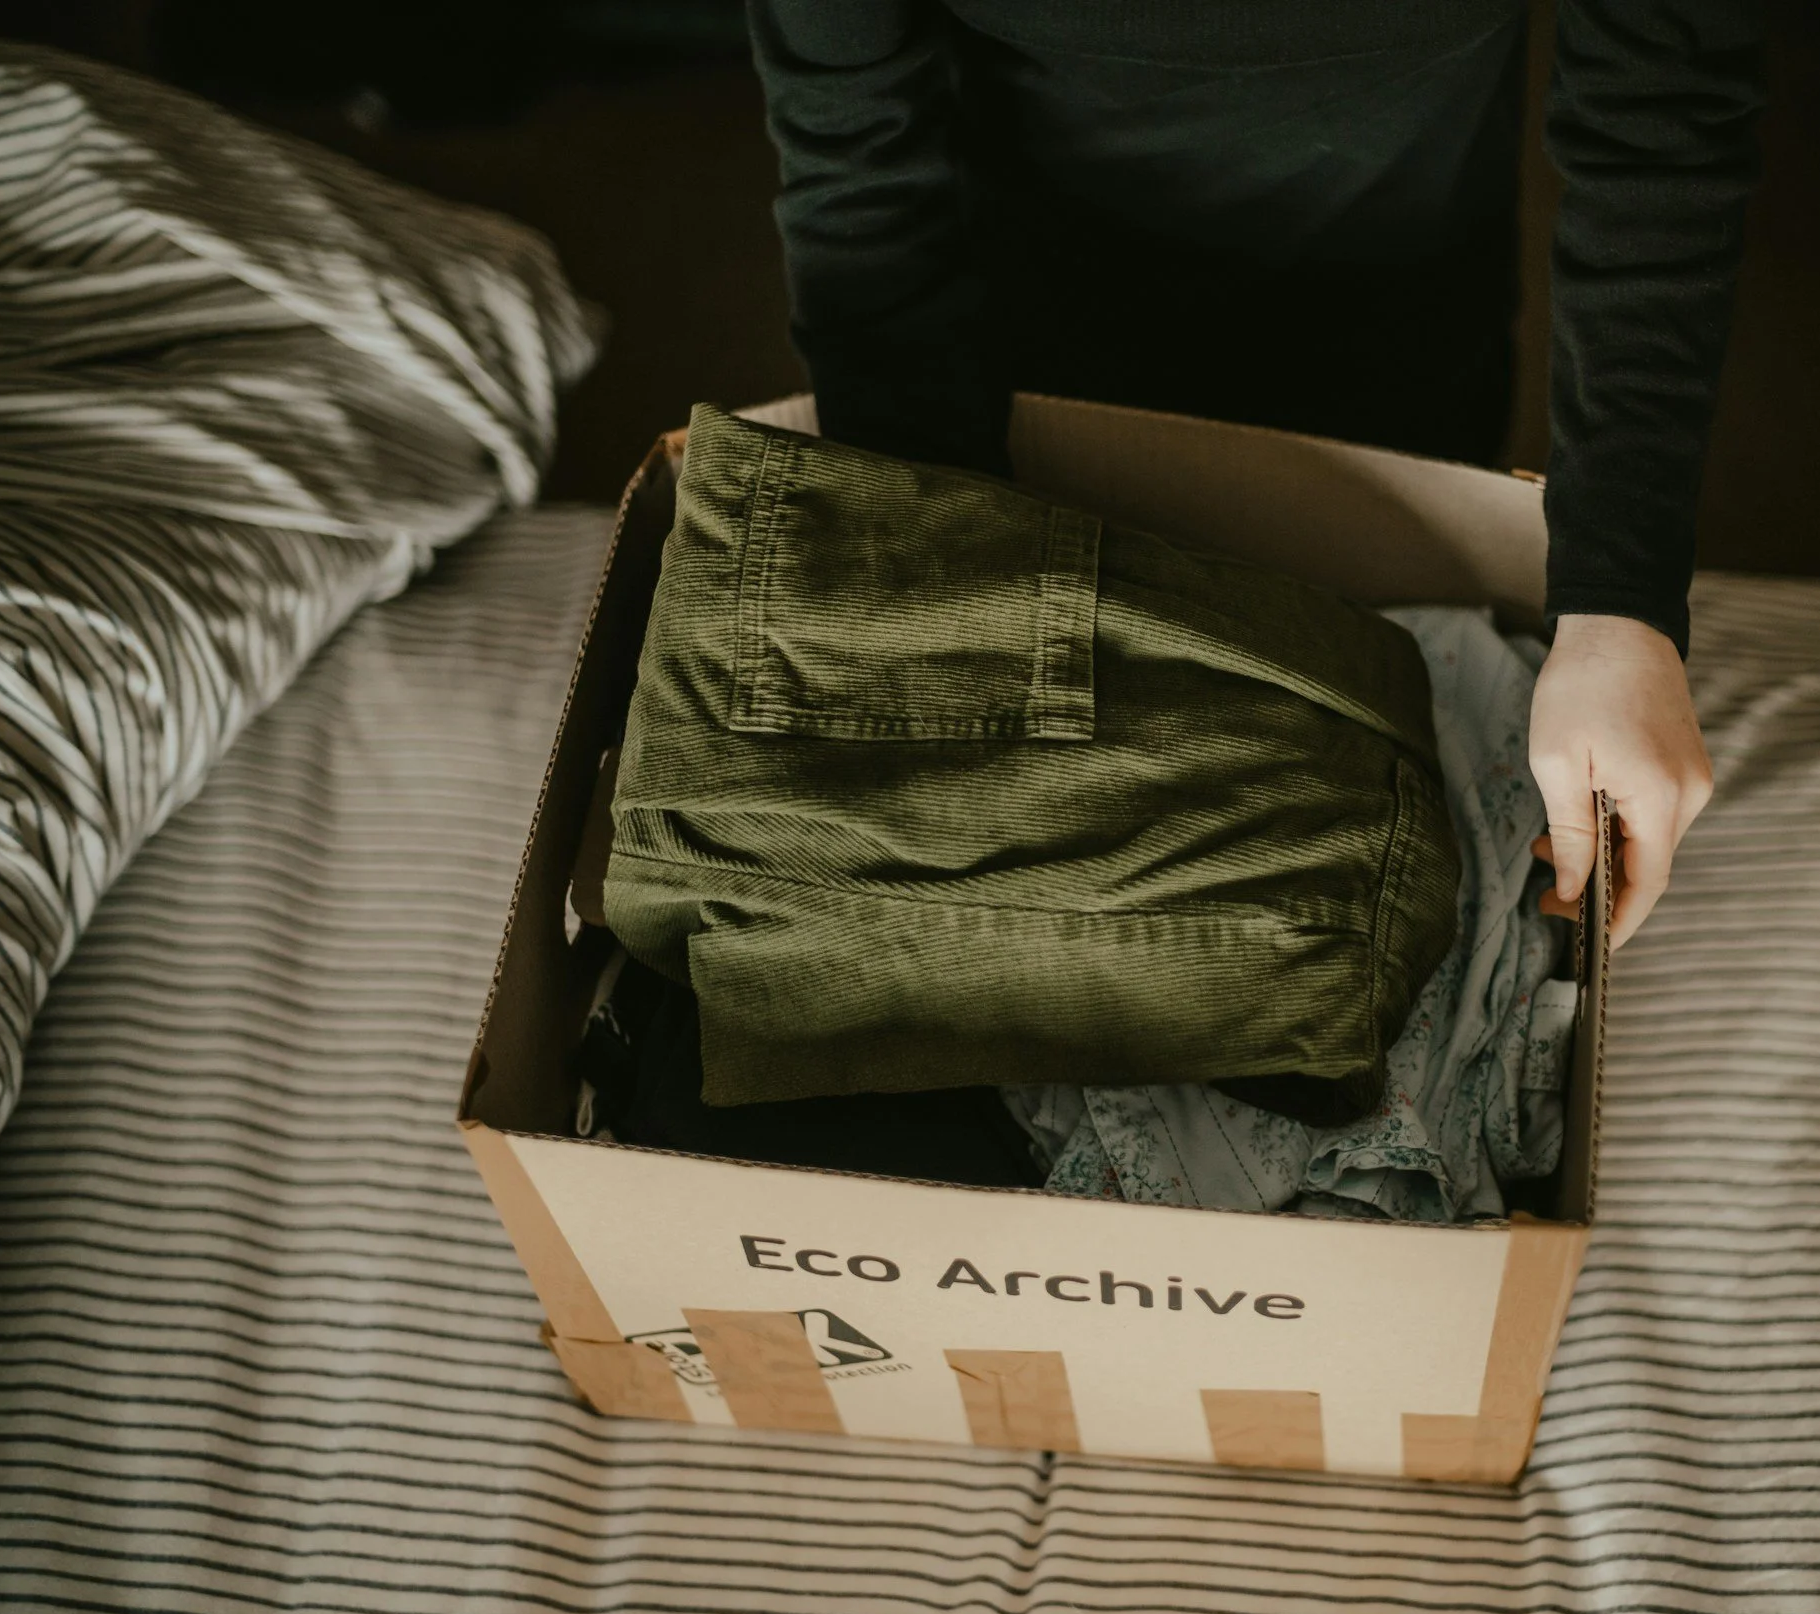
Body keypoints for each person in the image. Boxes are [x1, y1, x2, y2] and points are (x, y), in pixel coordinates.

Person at [746, 0, 1760, 946]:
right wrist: (942, 536)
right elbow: (855, 152)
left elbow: (1660, 115)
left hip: (1408, 339)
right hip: (1009, 346)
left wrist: (1619, 596)